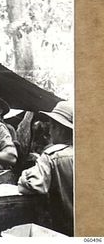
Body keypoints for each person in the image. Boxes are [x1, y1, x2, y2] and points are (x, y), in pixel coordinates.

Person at [17, 101, 73, 236]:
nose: (49, 131)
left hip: (64, 233)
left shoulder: (52, 156)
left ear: (58, 129)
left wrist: (25, 174)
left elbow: (29, 186)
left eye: (51, 126)